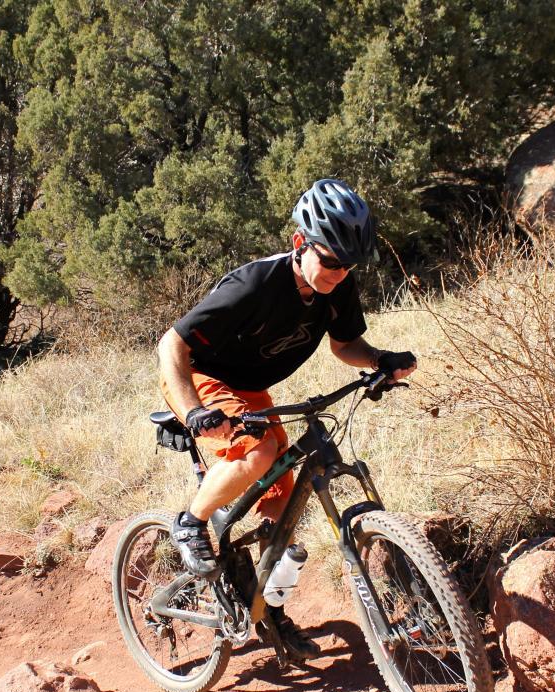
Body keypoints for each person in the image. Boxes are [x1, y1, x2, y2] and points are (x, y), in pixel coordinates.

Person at [156, 178, 417, 662]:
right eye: (331, 261)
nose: (339, 274)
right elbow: (172, 345)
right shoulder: (254, 284)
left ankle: (265, 604)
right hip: (204, 380)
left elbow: (345, 346)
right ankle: (190, 523)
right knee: (261, 453)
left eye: (349, 265)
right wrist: (194, 410)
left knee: (281, 497)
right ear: (300, 244)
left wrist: (379, 359)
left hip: (253, 392)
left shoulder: (336, 286)